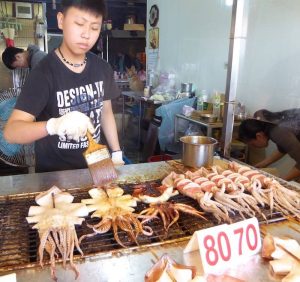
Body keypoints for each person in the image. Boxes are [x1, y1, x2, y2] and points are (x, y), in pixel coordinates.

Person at [4, 0, 124, 173]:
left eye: (95, 27)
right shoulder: (43, 73)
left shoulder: (102, 68)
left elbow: (105, 112)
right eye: (79, 24)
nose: (86, 34)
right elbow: (11, 132)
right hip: (55, 176)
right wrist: (53, 125)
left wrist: (116, 152)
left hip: (97, 167)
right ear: (61, 20)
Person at [238, 109, 300, 181]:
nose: (253, 146)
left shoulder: (276, 131)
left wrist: (281, 181)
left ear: (259, 136)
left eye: (252, 144)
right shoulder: (268, 125)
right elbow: (283, 148)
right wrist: (262, 164)